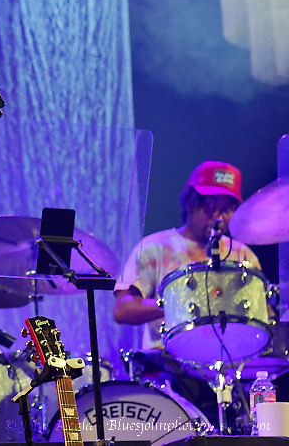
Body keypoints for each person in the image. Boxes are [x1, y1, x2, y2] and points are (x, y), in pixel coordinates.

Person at [113, 160, 263, 425]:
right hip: (171, 366)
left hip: (233, 368)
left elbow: (264, 318)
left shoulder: (243, 255)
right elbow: (123, 309)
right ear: (191, 203)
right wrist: (183, 305)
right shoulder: (154, 248)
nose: (219, 215)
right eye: (210, 205)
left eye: (227, 208)